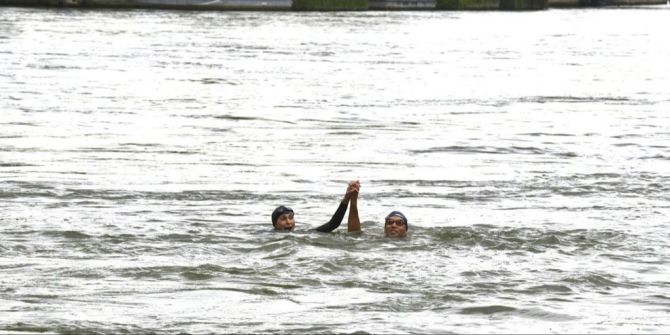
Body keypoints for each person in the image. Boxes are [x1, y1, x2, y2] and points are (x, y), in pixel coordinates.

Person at [271, 181, 359, 232]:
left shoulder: (304, 233)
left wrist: (346, 199)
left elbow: (332, 224)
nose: (288, 222)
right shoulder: (268, 236)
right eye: (283, 219)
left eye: (291, 218)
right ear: (275, 224)